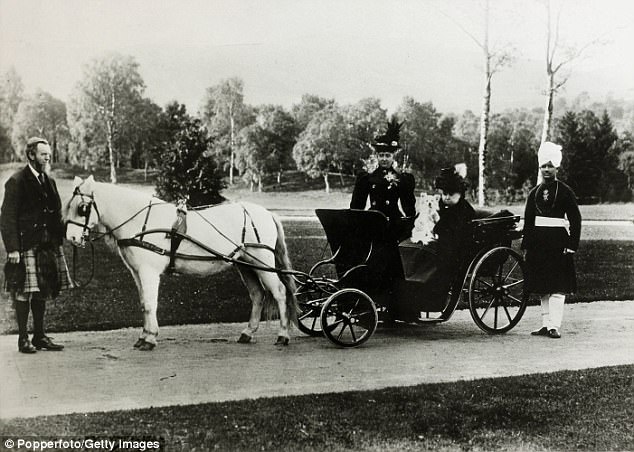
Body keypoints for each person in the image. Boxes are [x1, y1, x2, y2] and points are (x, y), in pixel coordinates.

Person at [1, 137, 73, 353]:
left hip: (47, 246)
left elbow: (56, 214)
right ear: (31, 155)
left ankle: (40, 336)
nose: (48, 157)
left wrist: (69, 234)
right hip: (25, 246)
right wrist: (13, 248)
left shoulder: (48, 181)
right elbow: (7, 217)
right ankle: (23, 339)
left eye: (49, 154)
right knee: (23, 293)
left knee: (42, 290)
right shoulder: (16, 181)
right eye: (44, 154)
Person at [522, 141, 581, 339]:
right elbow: (529, 221)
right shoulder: (534, 193)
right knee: (543, 287)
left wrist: (572, 244)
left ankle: (555, 325)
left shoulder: (565, 191)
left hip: (557, 242)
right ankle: (546, 324)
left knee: (557, 286)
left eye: (550, 165)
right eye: (543, 166)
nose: (547, 170)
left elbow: (575, 218)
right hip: (539, 243)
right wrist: (527, 245)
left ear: (557, 166)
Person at [350, 116, 416, 241]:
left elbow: (408, 205)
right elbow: (357, 205)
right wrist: (355, 221)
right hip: (372, 219)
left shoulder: (402, 178)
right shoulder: (367, 177)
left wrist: (411, 222)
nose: (384, 159)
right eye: (381, 155)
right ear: (377, 157)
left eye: (387, 155)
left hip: (394, 221)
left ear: (393, 156)